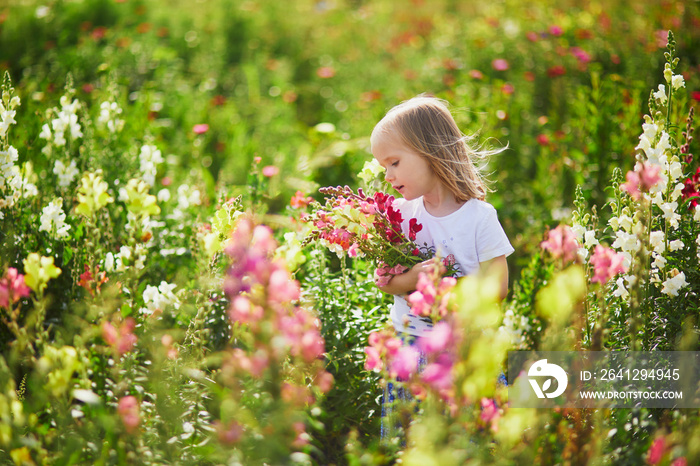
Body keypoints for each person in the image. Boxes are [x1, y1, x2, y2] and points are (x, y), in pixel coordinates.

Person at [370, 94, 514, 439]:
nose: (388, 175)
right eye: (383, 168)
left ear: (430, 152)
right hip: (409, 344)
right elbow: (383, 280)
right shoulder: (401, 215)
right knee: (407, 439)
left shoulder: (479, 218)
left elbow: (498, 287)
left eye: (394, 163)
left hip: (464, 346)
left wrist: (446, 290)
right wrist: (412, 279)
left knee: (475, 438)